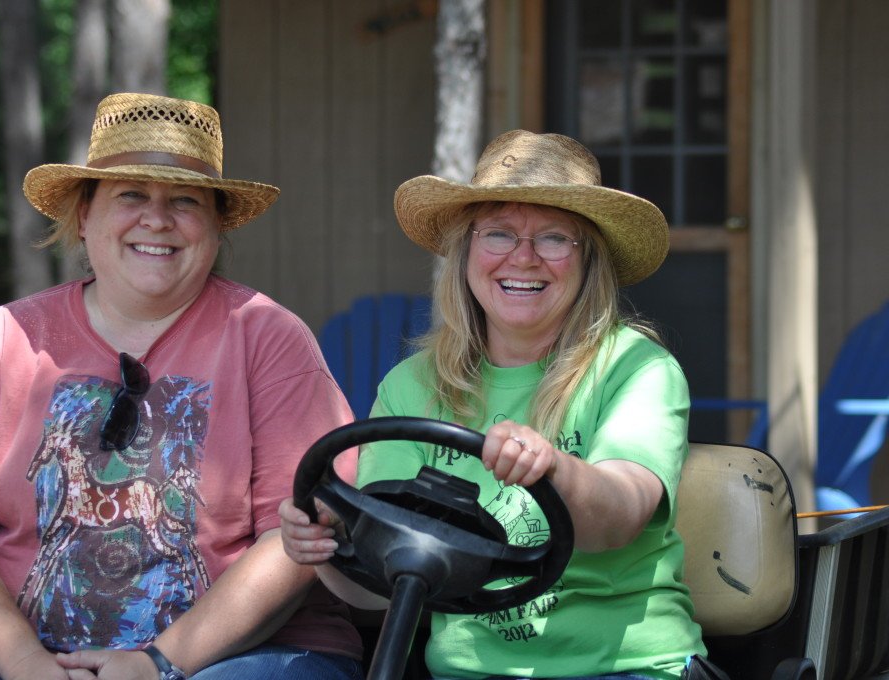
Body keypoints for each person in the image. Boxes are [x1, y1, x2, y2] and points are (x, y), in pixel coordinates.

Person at [0, 93, 363, 680]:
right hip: (31, 658)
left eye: (185, 201)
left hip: (248, 657)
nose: (156, 219)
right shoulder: (5, 338)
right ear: (83, 215)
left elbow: (299, 534)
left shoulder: (267, 337)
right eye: (131, 195)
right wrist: (23, 663)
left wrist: (158, 662)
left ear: (217, 224)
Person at [280, 130, 708, 679]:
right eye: (499, 233)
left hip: (626, 666)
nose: (523, 258)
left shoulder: (637, 369)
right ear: (466, 253)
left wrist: (554, 468)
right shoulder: (411, 387)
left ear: (589, 262)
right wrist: (322, 547)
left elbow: (619, 517)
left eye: (555, 238)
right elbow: (382, 594)